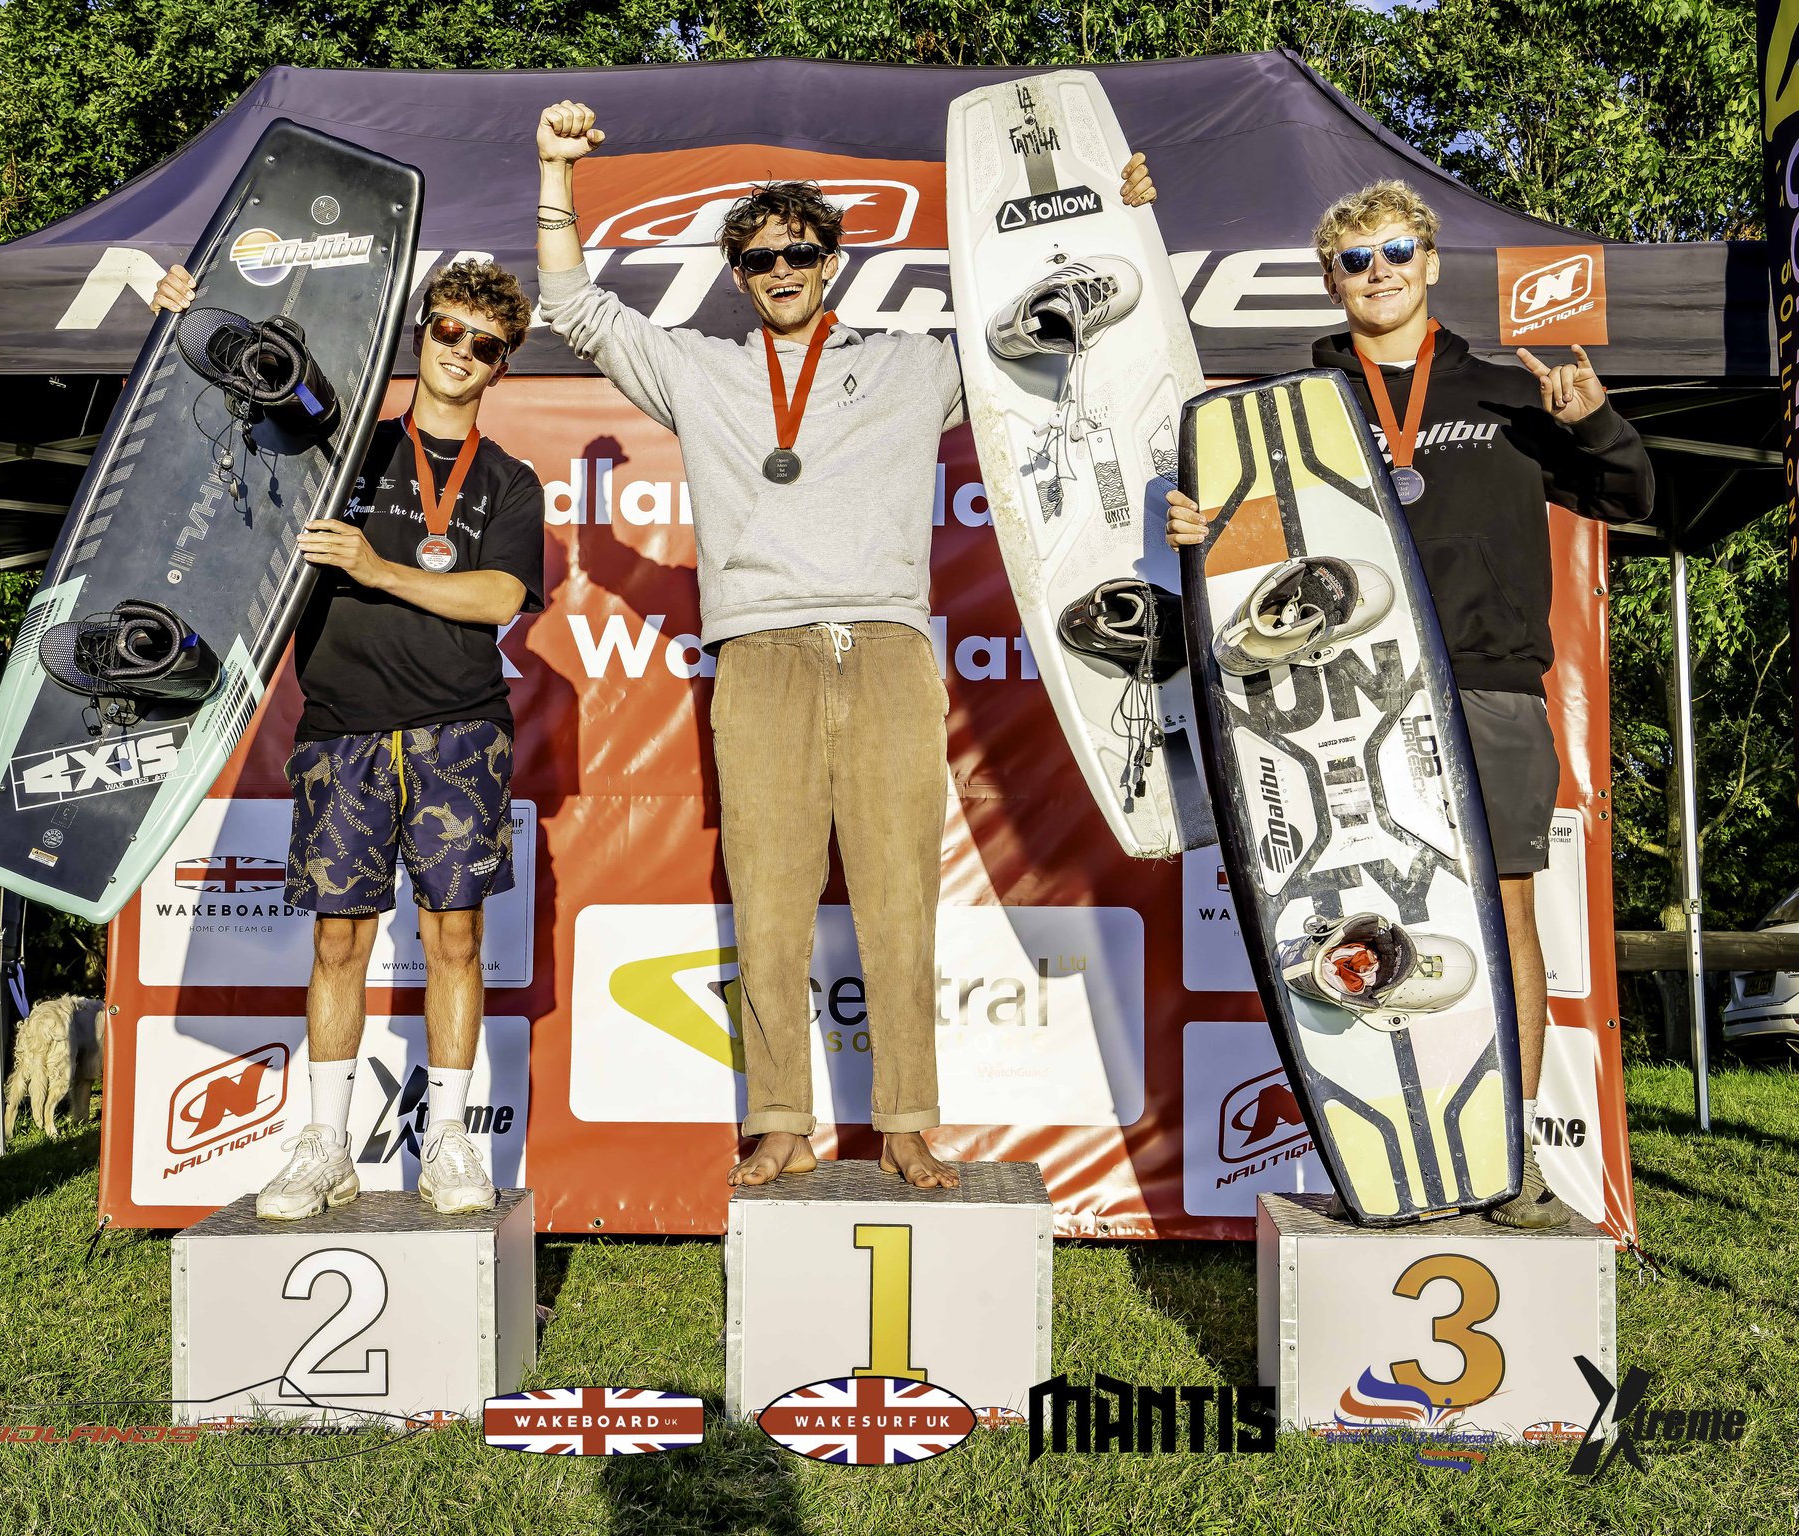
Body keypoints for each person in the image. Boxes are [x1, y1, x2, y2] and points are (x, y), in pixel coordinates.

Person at [532, 101, 1156, 1189]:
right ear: (737, 272)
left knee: (899, 894)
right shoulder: (699, 372)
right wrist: (554, 171)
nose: (782, 268)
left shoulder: (917, 366)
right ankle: (779, 1120)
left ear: (834, 261)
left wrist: (1123, 220)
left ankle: (907, 1119)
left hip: (884, 647)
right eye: (761, 255)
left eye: (800, 251)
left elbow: (1060, 330)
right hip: (760, 656)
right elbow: (574, 305)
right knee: (767, 901)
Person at [1165, 180, 1654, 1228]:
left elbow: (1631, 499)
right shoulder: (1288, 416)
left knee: (1504, 912)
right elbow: (1255, 574)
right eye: (1354, 260)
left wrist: (1599, 420)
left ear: (1430, 263)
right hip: (1342, 696)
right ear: (1331, 281)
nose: (1377, 273)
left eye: (1395, 252)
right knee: (1362, 909)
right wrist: (1199, 530)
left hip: (1486, 685)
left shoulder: (1509, 390)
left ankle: (1508, 1156)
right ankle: (1401, 1154)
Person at [150, 258, 545, 1219]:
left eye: (483, 344)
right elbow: (232, 414)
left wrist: (376, 568)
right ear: (422, 335)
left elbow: (498, 596)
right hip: (340, 732)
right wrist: (185, 321)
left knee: (456, 942)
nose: (460, 352)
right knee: (337, 943)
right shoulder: (343, 448)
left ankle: (449, 1141)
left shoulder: (509, 481)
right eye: (447, 331)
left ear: (502, 366)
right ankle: (324, 1144)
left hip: (459, 732)